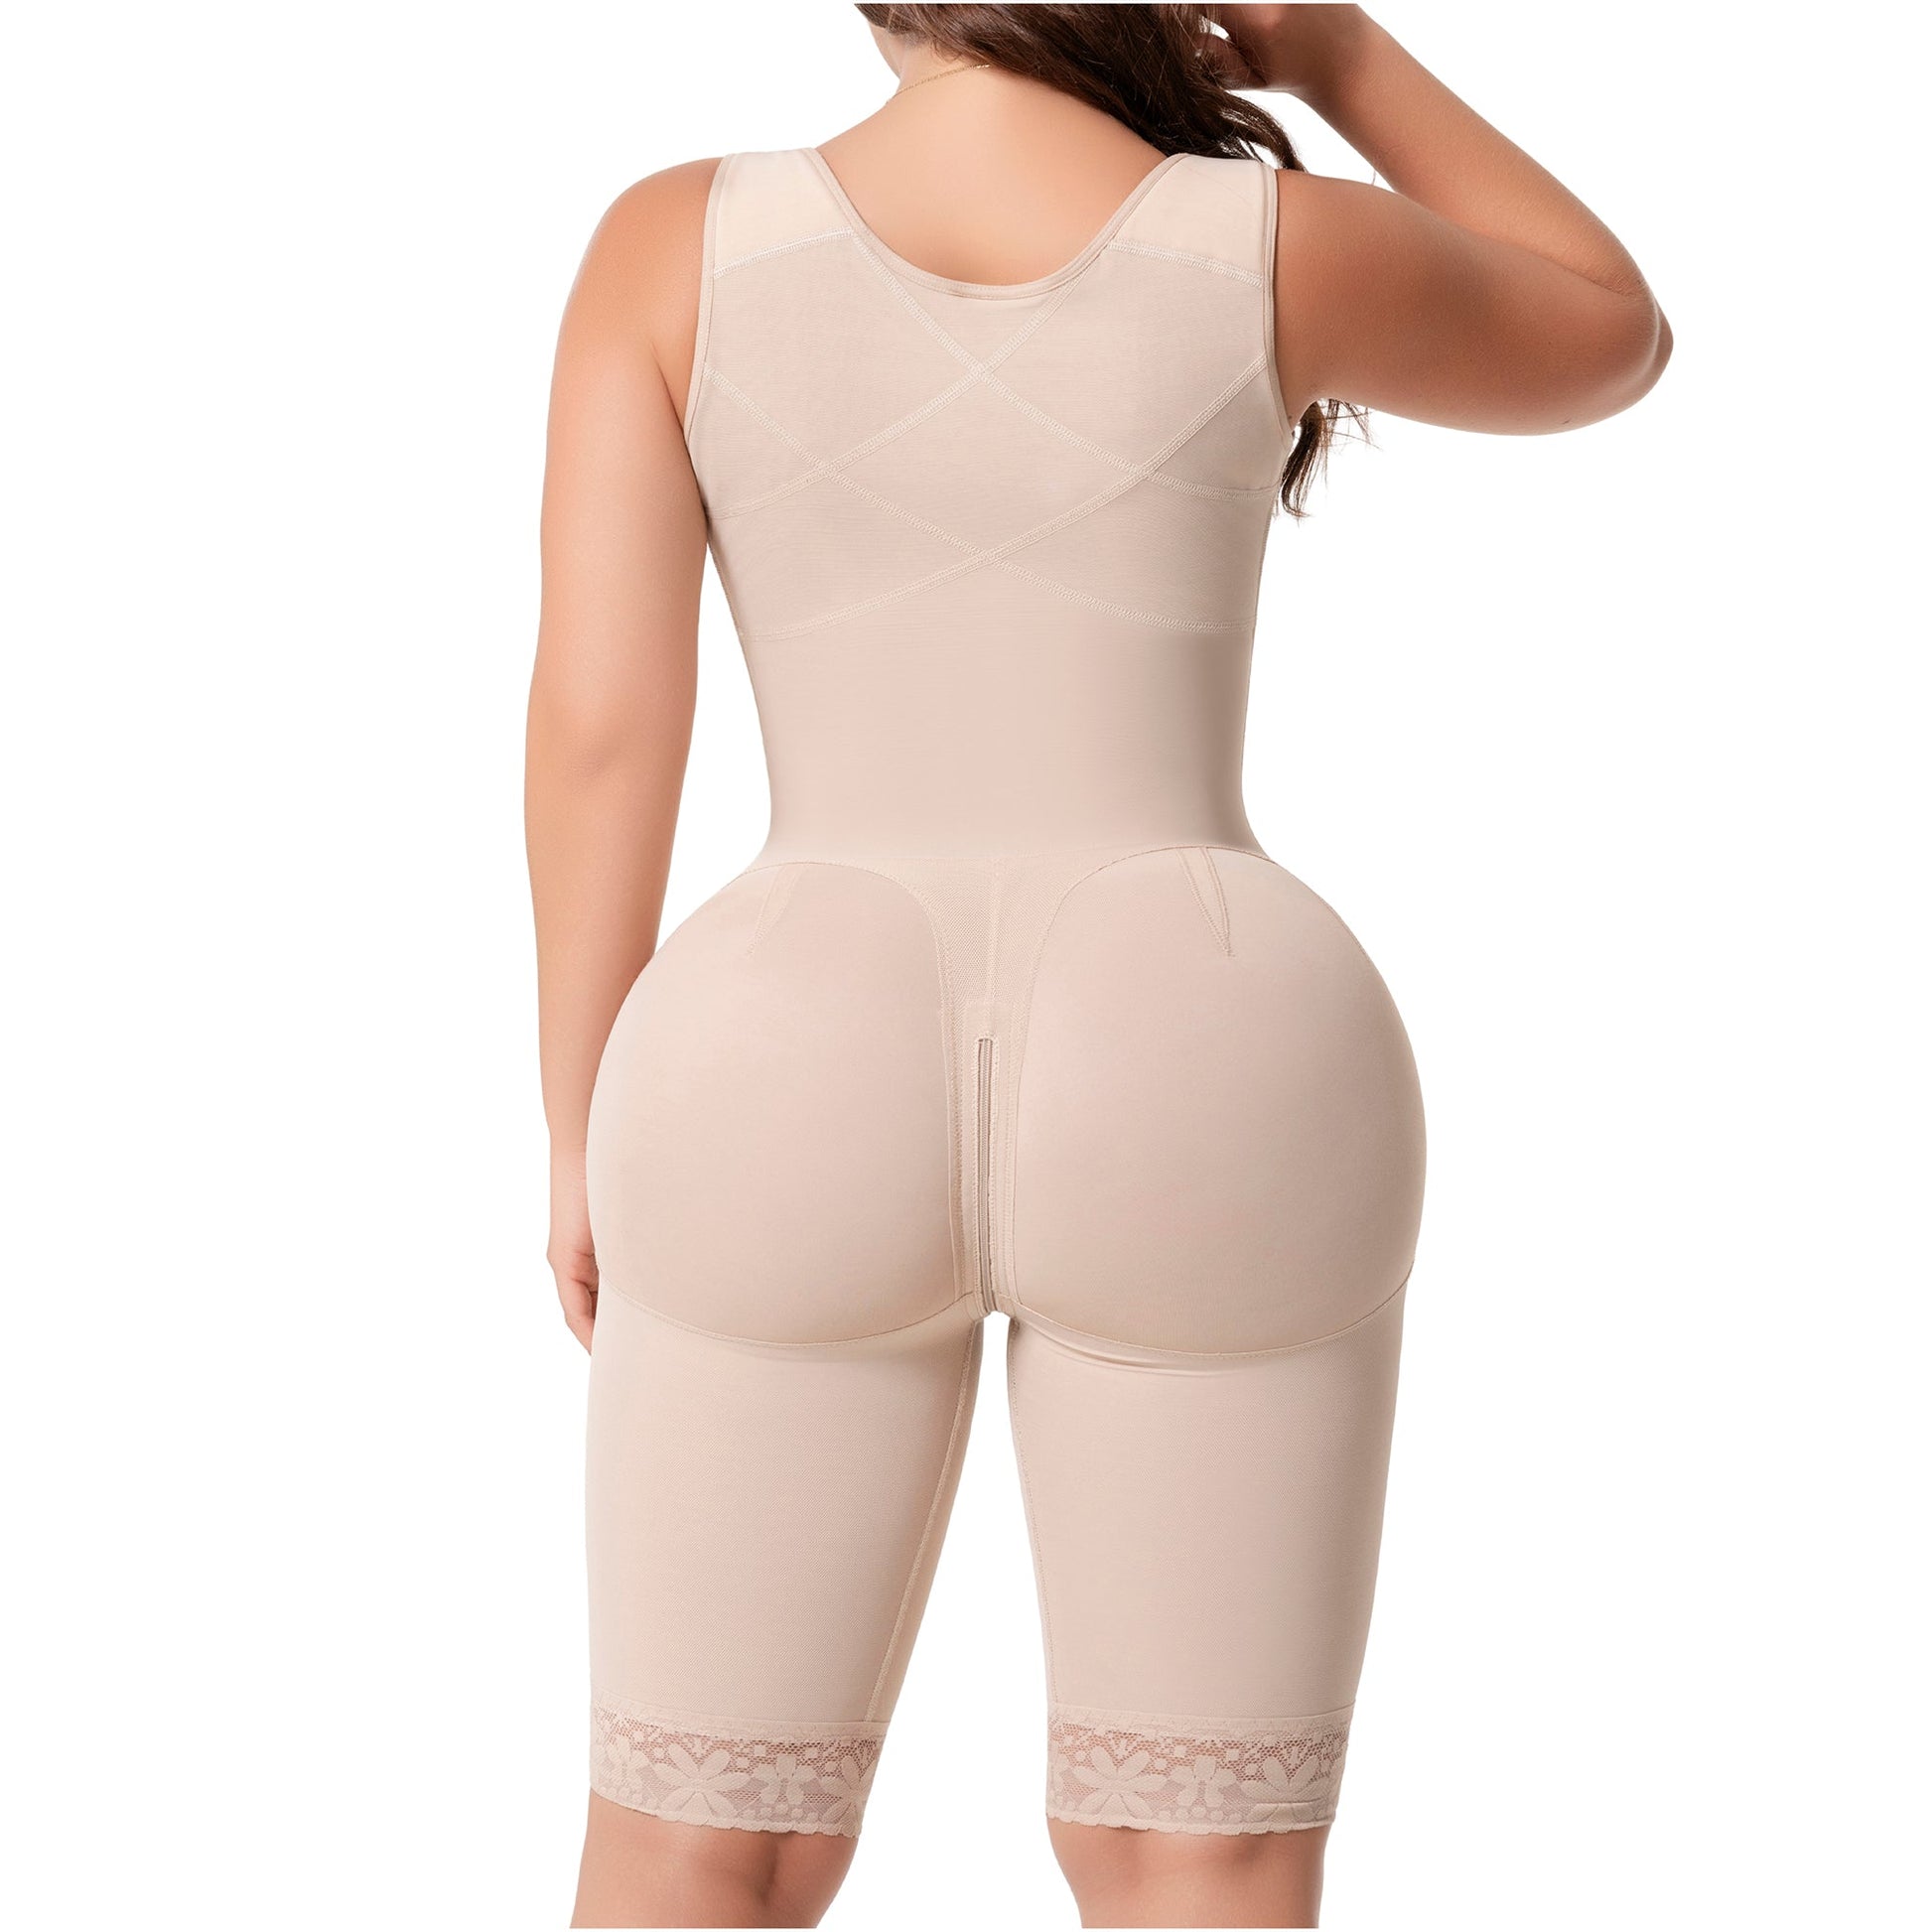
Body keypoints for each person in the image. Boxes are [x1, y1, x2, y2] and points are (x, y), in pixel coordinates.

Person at [524, 6, 1670, 1925]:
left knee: (702, 1848)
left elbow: (599, 728)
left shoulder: (674, 245)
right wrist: (1336, 57)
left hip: (778, 1057)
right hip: (1204, 1049)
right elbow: (1606, 326)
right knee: (1194, 1853)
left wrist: (582, 1127)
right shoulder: (1274, 250)